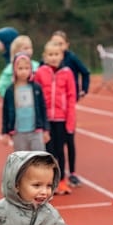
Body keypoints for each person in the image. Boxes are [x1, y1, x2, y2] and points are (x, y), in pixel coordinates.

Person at [34, 41, 77, 195]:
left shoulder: (67, 73)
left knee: (60, 151)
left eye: (56, 54)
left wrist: (70, 122)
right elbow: (36, 97)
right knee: (48, 152)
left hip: (61, 119)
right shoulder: (40, 72)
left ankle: (63, 181)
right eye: (50, 55)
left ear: (62, 56)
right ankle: (49, 183)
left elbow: (72, 98)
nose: (53, 57)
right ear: (45, 57)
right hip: (46, 121)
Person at [50, 30, 90, 188]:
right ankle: (57, 174)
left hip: (68, 104)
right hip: (54, 109)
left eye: (60, 43)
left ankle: (72, 173)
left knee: (69, 139)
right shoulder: (48, 60)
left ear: (66, 45)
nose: (57, 47)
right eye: (54, 43)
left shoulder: (71, 58)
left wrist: (83, 89)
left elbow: (85, 72)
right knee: (54, 143)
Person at [2, 53, 50, 151]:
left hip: (36, 131)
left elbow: (43, 108)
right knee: (23, 162)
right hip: (18, 133)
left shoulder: (36, 88)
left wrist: (46, 129)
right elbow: (5, 112)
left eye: (26, 68)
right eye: (20, 68)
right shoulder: (10, 90)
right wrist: (5, 132)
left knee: (39, 161)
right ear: (15, 69)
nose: (24, 71)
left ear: (31, 69)